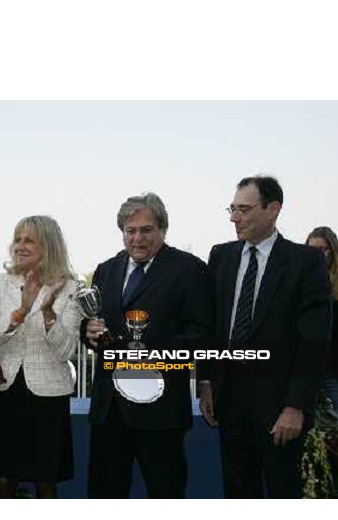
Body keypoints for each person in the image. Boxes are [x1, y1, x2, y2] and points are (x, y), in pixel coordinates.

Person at [199, 175, 332, 498]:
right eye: (232, 209)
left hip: (280, 410)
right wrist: (205, 383)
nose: (234, 217)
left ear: (273, 209)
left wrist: (295, 407)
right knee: (239, 493)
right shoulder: (221, 257)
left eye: (243, 209)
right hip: (229, 404)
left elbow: (314, 340)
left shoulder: (305, 262)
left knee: (284, 492)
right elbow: (210, 327)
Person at [82, 193, 211, 499]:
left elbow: (202, 334)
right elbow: (92, 321)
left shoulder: (189, 269)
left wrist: (152, 353)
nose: (137, 238)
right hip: (110, 409)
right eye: (130, 230)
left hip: (161, 410)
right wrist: (87, 331)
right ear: (122, 232)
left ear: (163, 230)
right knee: (104, 495)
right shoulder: (106, 269)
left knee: (165, 494)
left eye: (146, 230)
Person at [0, 215, 81, 499]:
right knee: (4, 478)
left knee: (46, 480)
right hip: (7, 390)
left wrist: (48, 315)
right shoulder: (0, 283)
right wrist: (20, 312)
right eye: (18, 239)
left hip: (48, 395)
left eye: (29, 240)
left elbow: (65, 350)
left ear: (48, 246)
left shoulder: (71, 288)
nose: (20, 246)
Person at [306, 226, 338, 412]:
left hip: (333, 370)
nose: (317, 255)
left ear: (332, 251)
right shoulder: (301, 282)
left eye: (322, 249)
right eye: (312, 250)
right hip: (307, 370)